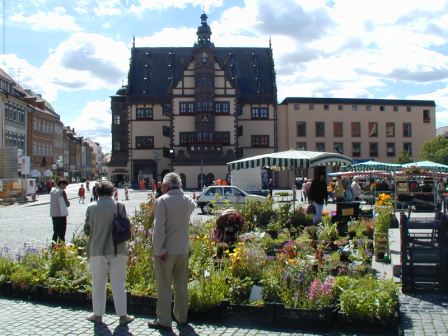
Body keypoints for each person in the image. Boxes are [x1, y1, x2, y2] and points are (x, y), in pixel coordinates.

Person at [149, 173, 196, 330]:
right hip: (182, 249)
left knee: (164, 286)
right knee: (181, 285)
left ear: (166, 186)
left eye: (162, 185)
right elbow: (192, 206)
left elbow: (159, 229)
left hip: (166, 251)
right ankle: (181, 317)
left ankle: (164, 319)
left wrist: (158, 249)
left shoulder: (163, 201)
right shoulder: (187, 200)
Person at [83, 181, 134, 325]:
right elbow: (125, 226)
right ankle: (123, 316)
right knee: (118, 283)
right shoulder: (119, 206)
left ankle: (97, 315)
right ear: (112, 192)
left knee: (98, 283)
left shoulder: (91, 208)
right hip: (118, 249)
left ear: (96, 193)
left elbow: (87, 230)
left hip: (97, 249)